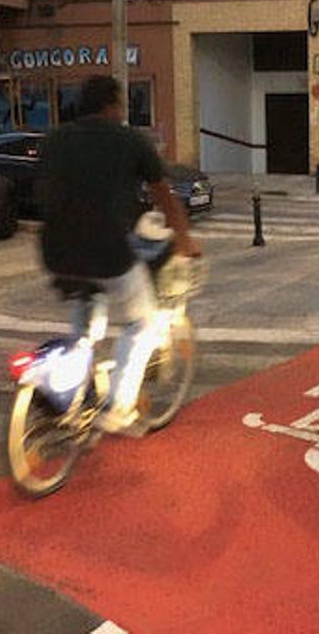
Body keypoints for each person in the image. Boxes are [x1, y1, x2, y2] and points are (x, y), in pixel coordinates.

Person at [38, 75, 200, 433]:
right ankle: (119, 407)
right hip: (107, 249)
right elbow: (164, 194)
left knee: (85, 324)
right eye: (121, 104)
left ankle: (71, 388)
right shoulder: (128, 140)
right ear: (112, 105)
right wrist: (184, 240)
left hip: (56, 251)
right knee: (142, 323)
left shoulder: (55, 139)